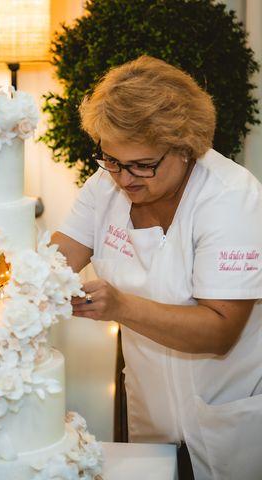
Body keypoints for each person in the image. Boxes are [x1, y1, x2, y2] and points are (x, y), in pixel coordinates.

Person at [51, 56, 262, 480]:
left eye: (143, 165)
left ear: (185, 148)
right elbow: (49, 262)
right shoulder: (105, 186)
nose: (125, 179)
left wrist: (122, 306)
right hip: (152, 415)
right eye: (111, 159)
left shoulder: (230, 197)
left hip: (230, 422)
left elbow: (220, 330)